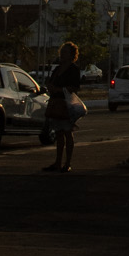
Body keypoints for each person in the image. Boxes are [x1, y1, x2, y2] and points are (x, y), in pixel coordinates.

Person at [44, 42, 85, 172]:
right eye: (62, 52)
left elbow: (75, 87)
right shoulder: (57, 69)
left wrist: (59, 89)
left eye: (65, 52)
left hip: (66, 104)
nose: (62, 54)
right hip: (56, 102)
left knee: (67, 132)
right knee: (59, 133)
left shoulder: (73, 69)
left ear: (72, 55)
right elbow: (51, 82)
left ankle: (67, 163)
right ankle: (57, 162)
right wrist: (50, 87)